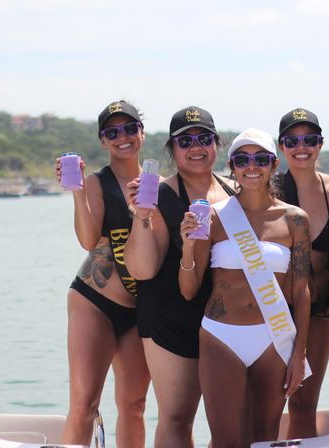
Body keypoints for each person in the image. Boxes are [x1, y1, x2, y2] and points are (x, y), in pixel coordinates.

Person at [179, 128, 311, 446]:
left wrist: (298, 355)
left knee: (265, 436)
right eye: (242, 159)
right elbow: (188, 289)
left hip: (274, 339)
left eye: (260, 159)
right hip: (221, 337)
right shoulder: (212, 217)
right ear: (232, 165)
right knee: (225, 439)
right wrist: (186, 246)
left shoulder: (295, 220)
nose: (252, 166)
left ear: (273, 164)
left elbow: (301, 292)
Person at [124, 106, 236, 448]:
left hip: (224, 319)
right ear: (172, 149)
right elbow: (142, 269)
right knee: (176, 417)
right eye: (185, 141)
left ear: (216, 143)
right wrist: (142, 216)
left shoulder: (236, 192)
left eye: (204, 138)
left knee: (229, 417)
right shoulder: (159, 193)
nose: (196, 146)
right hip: (170, 315)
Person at [55, 100, 151, 447]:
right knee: (84, 405)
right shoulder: (98, 182)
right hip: (94, 302)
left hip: (141, 310)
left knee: (134, 405)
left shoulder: (160, 185)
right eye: (112, 132)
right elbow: (87, 240)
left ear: (142, 132)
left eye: (129, 129)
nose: (122, 137)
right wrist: (78, 192)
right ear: (102, 141)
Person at [275, 108, 329, 438]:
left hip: (320, 314)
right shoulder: (267, 189)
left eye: (310, 139)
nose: (301, 146)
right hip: (273, 313)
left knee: (304, 406)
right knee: (264, 405)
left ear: (320, 144)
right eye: (292, 140)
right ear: (281, 146)